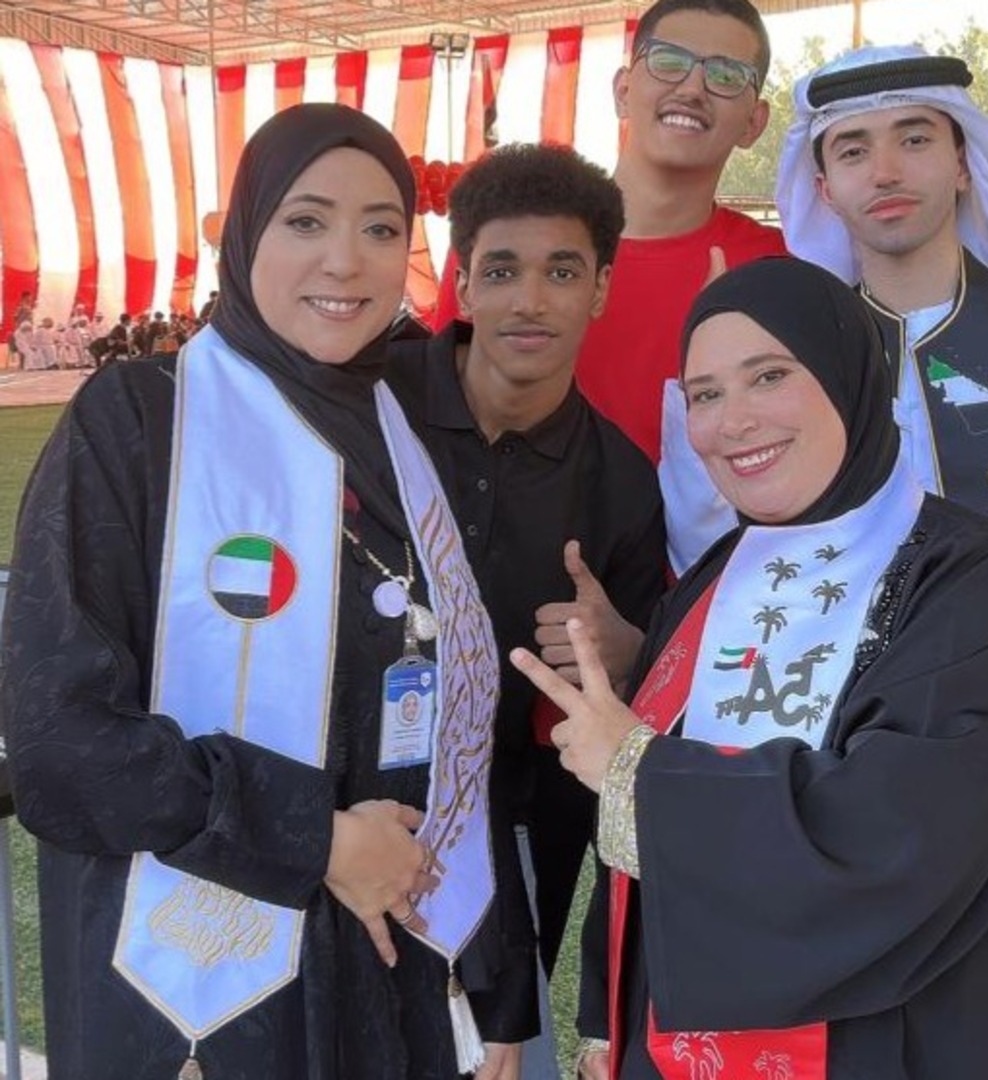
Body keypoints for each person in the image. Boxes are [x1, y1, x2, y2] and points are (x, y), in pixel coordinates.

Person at [1, 103, 534, 1080]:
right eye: (306, 220)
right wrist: (314, 838)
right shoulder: (140, 425)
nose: (346, 260)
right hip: (197, 1009)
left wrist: (494, 987)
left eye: (381, 228)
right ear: (247, 234)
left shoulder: (407, 442)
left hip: (393, 980)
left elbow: (453, 714)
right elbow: (60, 744)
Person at [510, 257, 988, 1080]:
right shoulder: (714, 580)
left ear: (847, 374)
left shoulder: (985, 584)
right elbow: (632, 853)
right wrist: (611, 1014)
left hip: (909, 1043)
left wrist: (639, 772)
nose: (733, 421)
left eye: (769, 375)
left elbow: (900, 835)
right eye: (704, 394)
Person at [387, 142, 667, 1071]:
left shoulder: (621, 482)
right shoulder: (371, 406)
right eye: (503, 271)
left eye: (563, 272)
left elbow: (644, 696)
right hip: (347, 808)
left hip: (514, 831)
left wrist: (624, 648)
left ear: (601, 289)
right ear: (464, 283)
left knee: (491, 1054)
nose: (531, 301)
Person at [435, 0, 786, 569]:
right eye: (669, 62)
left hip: (691, 590)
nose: (692, 89)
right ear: (623, 90)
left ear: (754, 122)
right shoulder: (505, 242)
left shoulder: (774, 271)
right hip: (493, 572)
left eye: (725, 75)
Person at [773, 44, 988, 605]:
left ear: (962, 165)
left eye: (914, 140)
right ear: (825, 190)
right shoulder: (803, 363)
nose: (885, 173)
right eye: (853, 152)